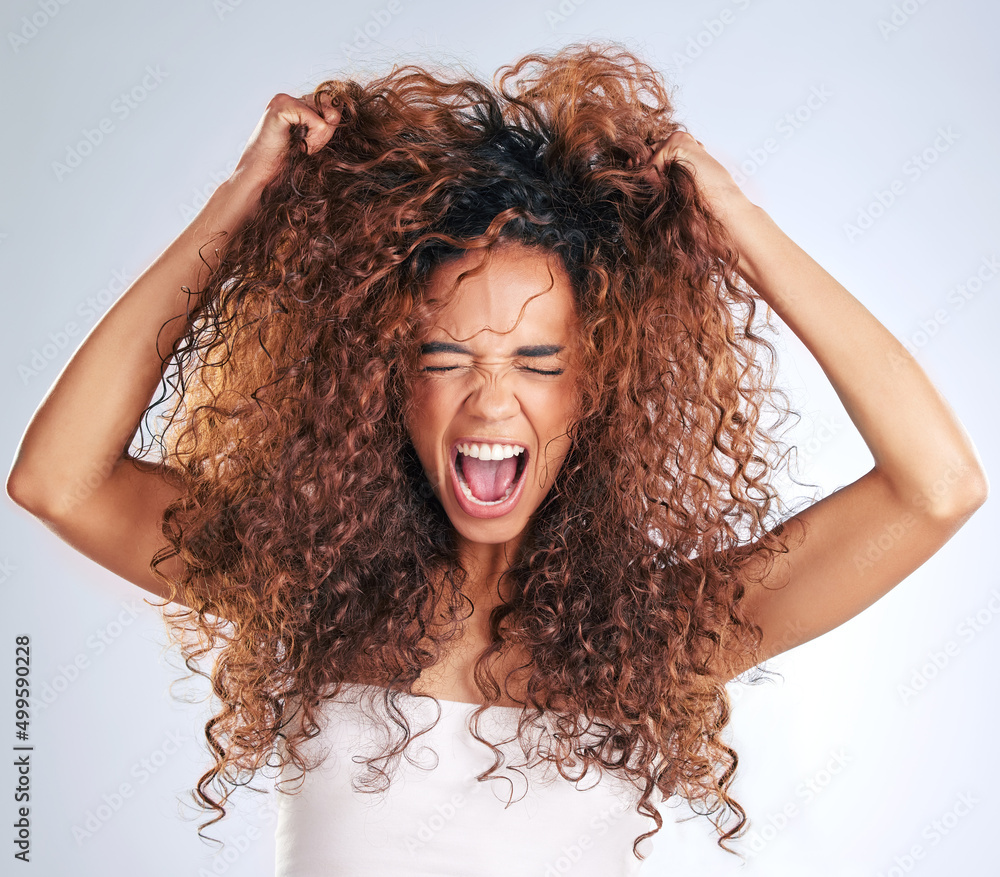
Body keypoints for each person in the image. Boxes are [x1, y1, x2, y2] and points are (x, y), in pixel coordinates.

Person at [5, 41, 988, 875]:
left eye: (536, 360)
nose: (489, 399)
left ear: (592, 388)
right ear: (388, 383)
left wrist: (730, 223)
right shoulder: (306, 589)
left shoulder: (653, 633)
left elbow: (935, 488)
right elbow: (59, 480)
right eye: (445, 356)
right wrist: (242, 199)